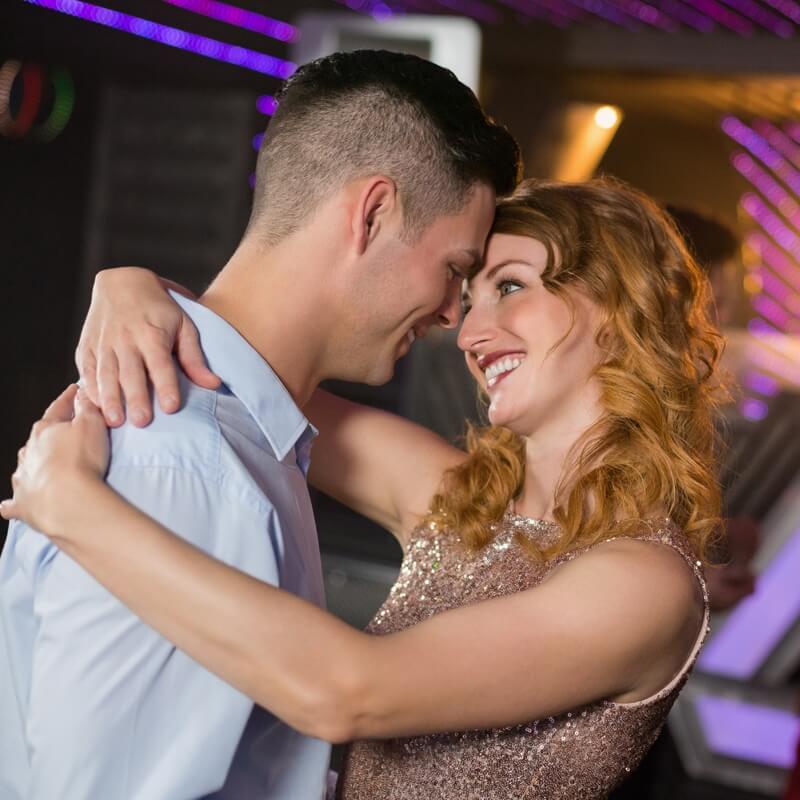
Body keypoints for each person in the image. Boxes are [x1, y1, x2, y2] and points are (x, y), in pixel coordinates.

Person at [4, 177, 724, 799]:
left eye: (509, 287)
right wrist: (129, 286)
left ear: (620, 303)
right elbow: (249, 368)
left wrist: (78, 513)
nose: (470, 336)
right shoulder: (459, 497)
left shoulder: (645, 584)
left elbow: (347, 692)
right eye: (467, 300)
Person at [0, 49, 519, 800]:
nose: (450, 315)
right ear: (372, 213)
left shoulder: (240, 441)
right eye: (454, 270)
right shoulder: (189, 463)